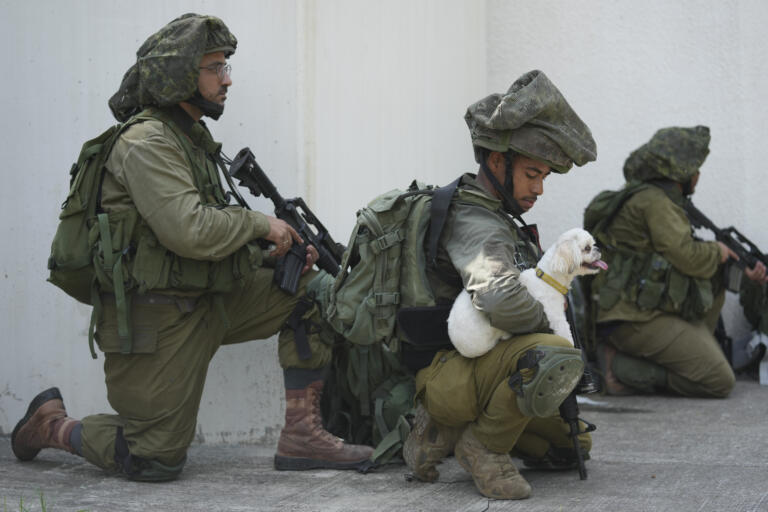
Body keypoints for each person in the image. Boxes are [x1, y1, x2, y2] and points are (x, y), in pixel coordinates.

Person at [11, 13, 371, 481]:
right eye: (215, 68)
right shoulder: (145, 142)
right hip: (157, 320)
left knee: (314, 289)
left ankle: (303, 434)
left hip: (210, 298)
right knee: (153, 460)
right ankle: (52, 426)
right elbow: (190, 230)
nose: (227, 79)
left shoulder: (190, 140)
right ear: (180, 74)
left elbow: (203, 242)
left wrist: (268, 255)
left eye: (225, 67)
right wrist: (261, 223)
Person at [401, 70, 598, 500]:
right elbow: (502, 301)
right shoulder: (475, 220)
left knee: (571, 444)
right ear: (496, 161)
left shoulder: (496, 215)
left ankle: (443, 433)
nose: (539, 188)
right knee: (554, 354)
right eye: (532, 173)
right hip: (447, 374)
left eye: (544, 176)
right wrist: (551, 322)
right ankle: (481, 447)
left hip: (481, 370)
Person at [587, 126, 768, 397]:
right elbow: (687, 257)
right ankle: (618, 366)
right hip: (631, 318)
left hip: (641, 311)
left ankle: (686, 357)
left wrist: (736, 266)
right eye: (695, 168)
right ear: (680, 171)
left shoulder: (650, 197)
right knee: (719, 381)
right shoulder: (655, 202)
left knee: (715, 269)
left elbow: (675, 256)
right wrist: (716, 251)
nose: (698, 175)